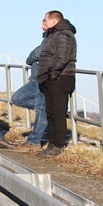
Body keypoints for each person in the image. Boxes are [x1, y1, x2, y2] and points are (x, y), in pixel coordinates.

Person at [36, 10, 78, 155]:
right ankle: (52, 144)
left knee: (58, 113)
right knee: (51, 112)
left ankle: (58, 145)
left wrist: (52, 75)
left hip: (60, 78)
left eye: (45, 21)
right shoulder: (54, 35)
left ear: (54, 21)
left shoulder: (64, 34)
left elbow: (62, 57)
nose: (43, 24)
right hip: (52, 78)